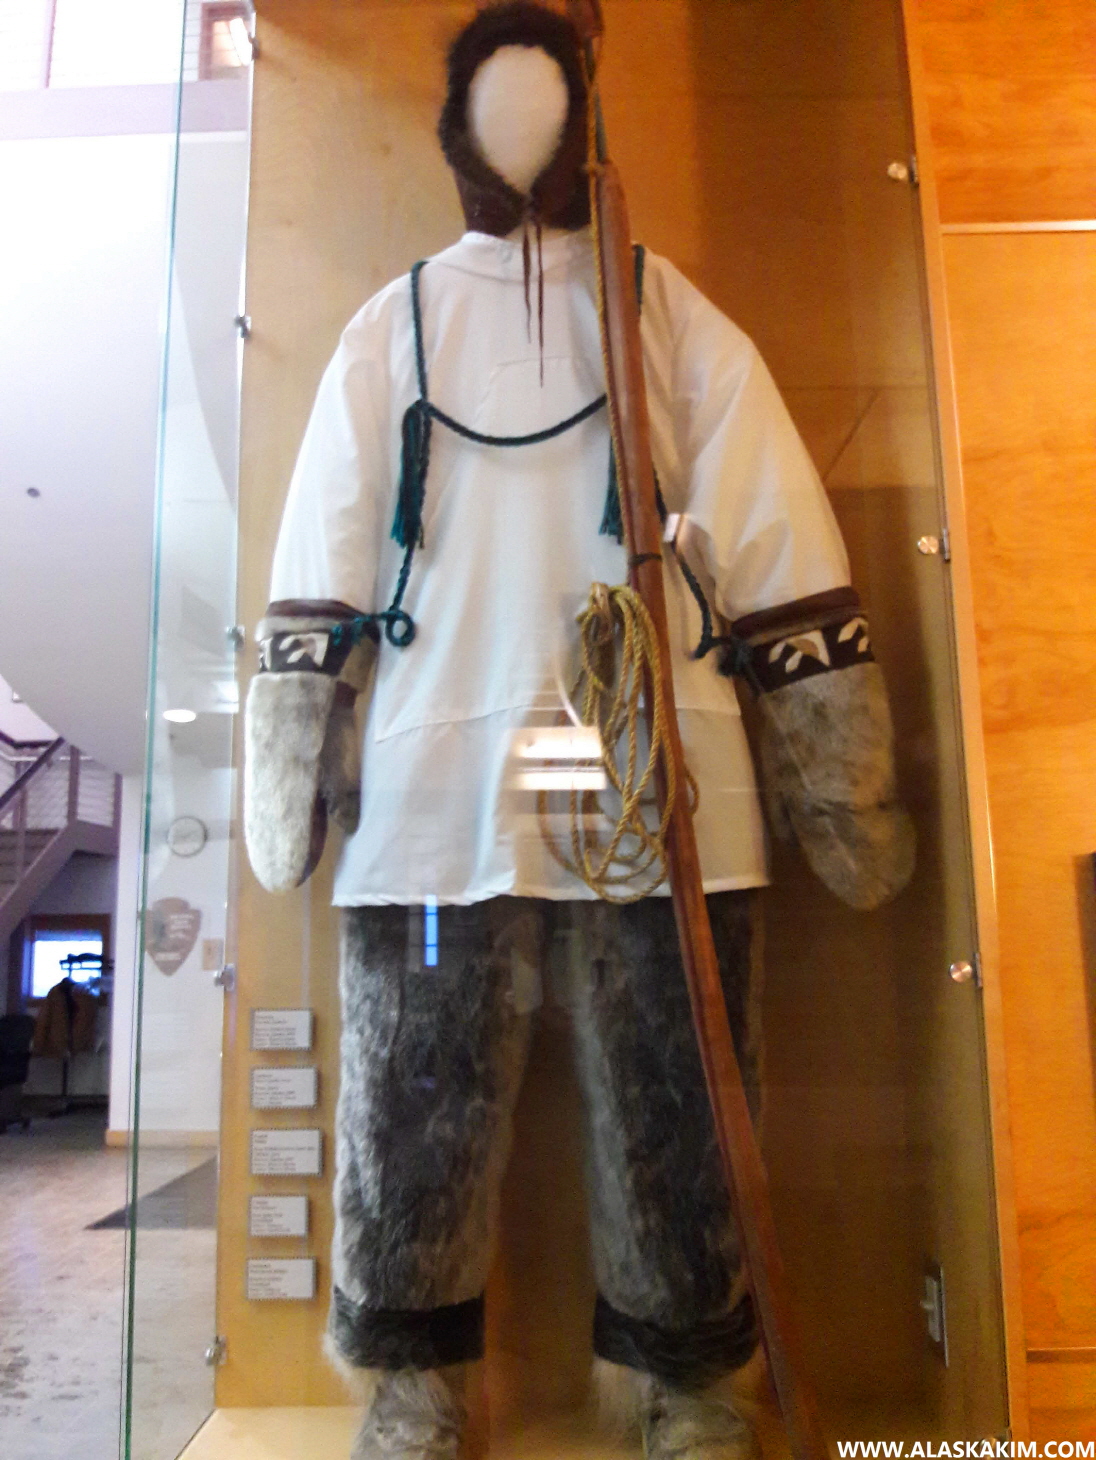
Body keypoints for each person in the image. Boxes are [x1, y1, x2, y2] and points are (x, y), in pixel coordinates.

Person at [244, 6, 913, 1457]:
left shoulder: (661, 312)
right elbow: (325, 538)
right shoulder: (394, 324)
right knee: (413, 1090)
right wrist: (298, 734)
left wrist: (830, 759)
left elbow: (770, 524)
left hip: (654, 774)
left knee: (681, 1091)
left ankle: (690, 1383)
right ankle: (415, 1386)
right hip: (440, 780)